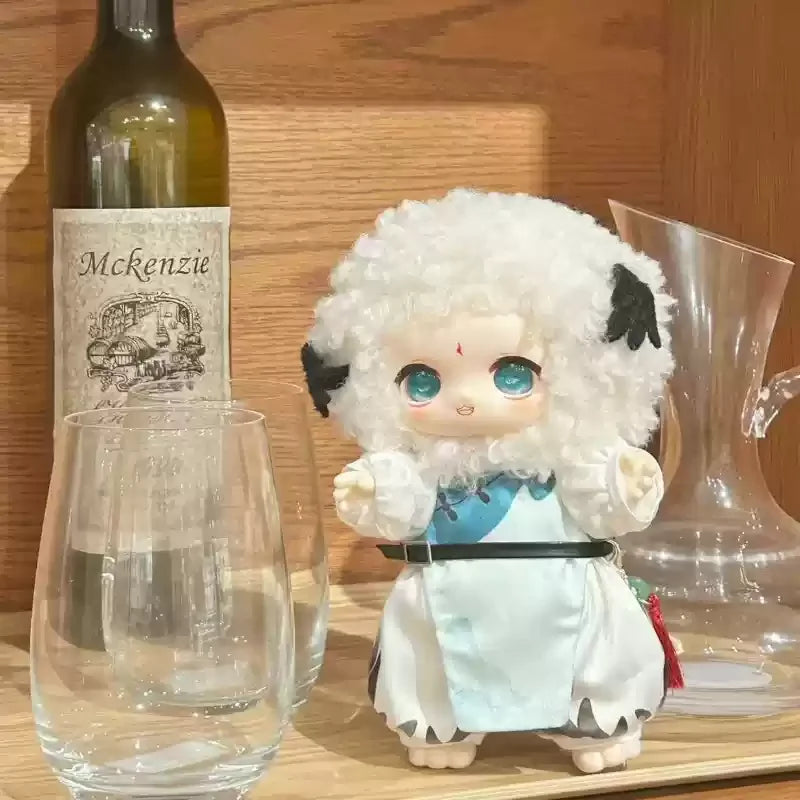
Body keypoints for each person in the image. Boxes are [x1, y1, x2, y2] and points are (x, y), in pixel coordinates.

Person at [302, 188, 676, 773]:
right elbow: (401, 502)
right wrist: (380, 491)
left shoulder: (570, 462)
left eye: (512, 374)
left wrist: (621, 480)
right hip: (449, 597)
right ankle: (441, 724)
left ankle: (593, 719)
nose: (468, 401)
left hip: (565, 591)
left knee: (586, 655)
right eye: (423, 381)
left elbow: (603, 503)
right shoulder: (425, 470)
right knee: (434, 657)